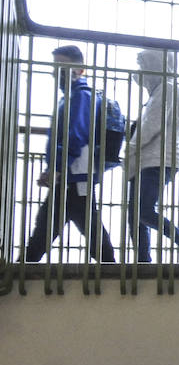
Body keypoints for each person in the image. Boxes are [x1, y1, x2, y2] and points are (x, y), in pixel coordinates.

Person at [24, 45, 116, 264]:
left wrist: (56, 167)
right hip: (72, 174)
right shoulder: (72, 97)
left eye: (63, 67)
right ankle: (111, 270)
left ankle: (22, 270)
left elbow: (76, 135)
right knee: (54, 225)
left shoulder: (81, 97)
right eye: (56, 68)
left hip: (74, 174)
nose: (58, 72)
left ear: (80, 69)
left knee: (53, 226)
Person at [125, 49, 179, 263]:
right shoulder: (161, 91)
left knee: (142, 211)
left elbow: (152, 125)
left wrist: (130, 148)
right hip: (149, 159)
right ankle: (143, 261)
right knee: (136, 214)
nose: (141, 73)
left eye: (144, 66)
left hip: (156, 159)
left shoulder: (167, 89)